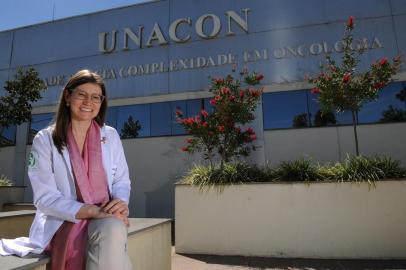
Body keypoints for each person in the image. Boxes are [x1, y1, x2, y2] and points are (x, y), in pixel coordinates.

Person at [0, 70, 132, 270]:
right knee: (114, 229)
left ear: (101, 102)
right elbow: (44, 198)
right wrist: (88, 211)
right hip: (64, 219)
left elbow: (121, 180)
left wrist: (120, 203)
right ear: (68, 97)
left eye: (96, 97)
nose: (89, 101)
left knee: (113, 226)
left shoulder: (110, 135)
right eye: (82, 94)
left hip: (105, 214)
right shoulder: (45, 139)